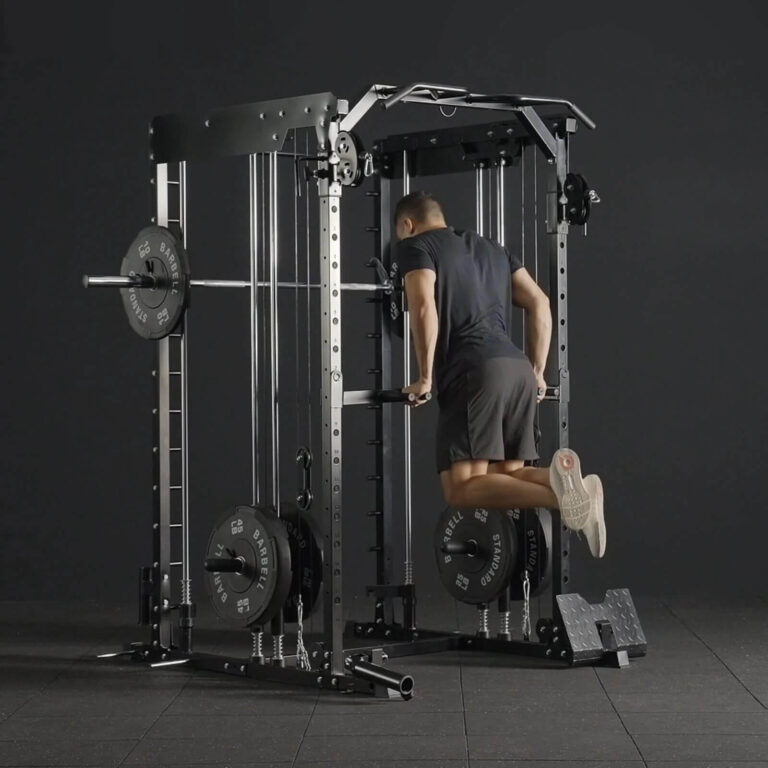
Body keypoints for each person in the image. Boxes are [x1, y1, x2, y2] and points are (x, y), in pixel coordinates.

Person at [395, 190, 606, 557]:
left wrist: (425, 376)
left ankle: (569, 502)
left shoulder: (417, 246)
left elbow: (423, 304)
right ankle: (579, 490)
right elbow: (540, 302)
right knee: (508, 476)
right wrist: (538, 371)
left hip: (474, 373)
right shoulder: (493, 248)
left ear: (407, 224)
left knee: (461, 488)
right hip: (517, 370)